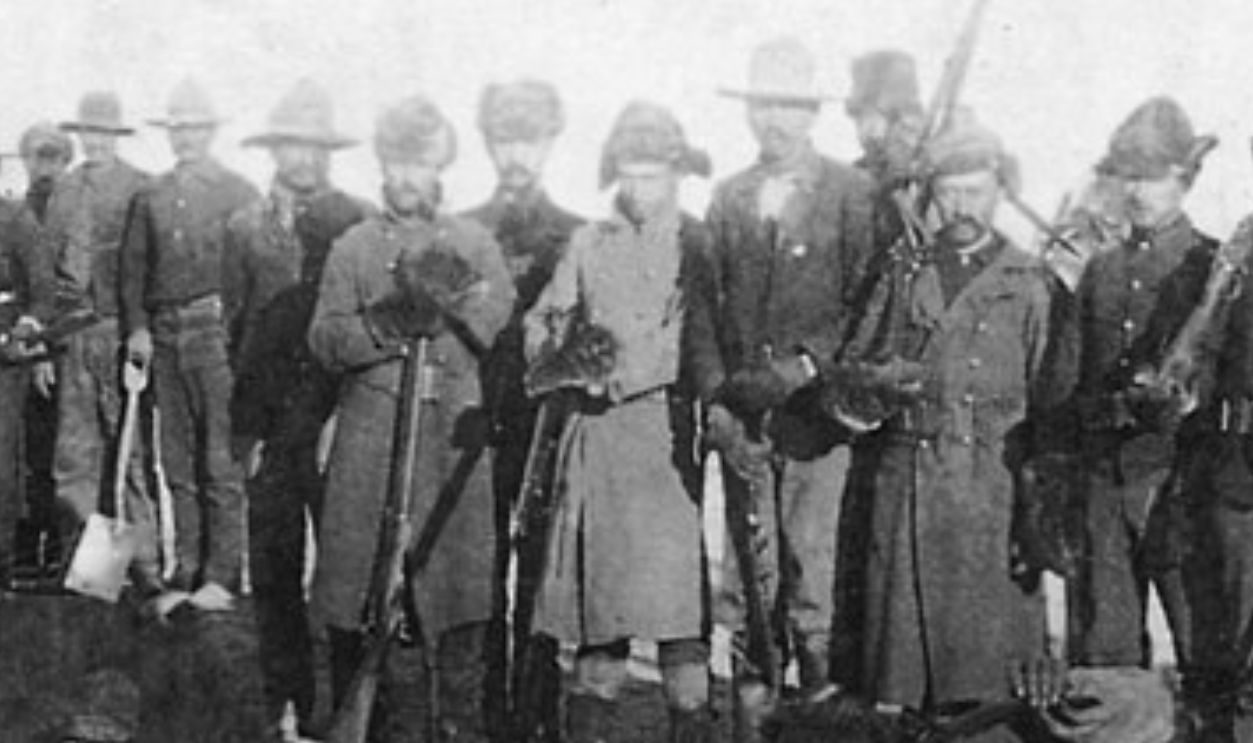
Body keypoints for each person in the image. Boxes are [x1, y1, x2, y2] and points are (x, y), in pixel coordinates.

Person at [308, 95, 514, 741]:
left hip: (449, 447)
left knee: (457, 609)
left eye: (419, 163)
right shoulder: (354, 247)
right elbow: (325, 339)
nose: (405, 177)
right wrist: (390, 321)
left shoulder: (473, 242)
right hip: (372, 445)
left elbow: (495, 316)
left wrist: (448, 304)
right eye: (395, 162)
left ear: (440, 167)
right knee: (368, 603)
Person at [689, 36, 877, 742]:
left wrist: (805, 367)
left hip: (814, 428)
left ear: (812, 113)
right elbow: (702, 310)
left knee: (812, 580)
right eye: (763, 105)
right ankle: (751, 725)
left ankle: (819, 718)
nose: (775, 120)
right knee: (745, 585)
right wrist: (717, 401)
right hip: (745, 428)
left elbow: (866, 304)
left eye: (789, 107)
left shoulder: (850, 196)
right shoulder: (729, 197)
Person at [852, 109, 1055, 725]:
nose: (963, 206)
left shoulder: (1029, 281)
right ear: (933, 194)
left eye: (977, 190)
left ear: (1001, 191)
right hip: (911, 483)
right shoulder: (904, 271)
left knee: (988, 684)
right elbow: (859, 365)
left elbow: (1049, 400)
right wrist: (879, 381)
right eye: (951, 192)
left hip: (993, 493)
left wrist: (1036, 506)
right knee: (904, 681)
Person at [523, 100, 713, 743]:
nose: (639, 191)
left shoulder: (696, 244)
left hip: (662, 448)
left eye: (652, 177)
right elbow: (545, 317)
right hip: (595, 444)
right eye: (628, 176)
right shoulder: (589, 241)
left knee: (680, 631)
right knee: (599, 632)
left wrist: (619, 372)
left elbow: (688, 338)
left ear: (676, 175)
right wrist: (557, 354)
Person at [1046, 97, 1225, 734]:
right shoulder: (1101, 271)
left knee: (1204, 653)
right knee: (1106, 660)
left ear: (1185, 178)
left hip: (1179, 489)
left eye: (1153, 177)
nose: (1137, 192)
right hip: (1104, 487)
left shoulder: (1215, 268)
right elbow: (1065, 388)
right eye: (1127, 177)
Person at [223, 78, 369, 740]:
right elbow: (238, 330)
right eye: (291, 145)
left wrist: (349, 416)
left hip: (341, 422)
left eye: (314, 147)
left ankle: (350, 705)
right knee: (274, 570)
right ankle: (286, 702)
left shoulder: (359, 222)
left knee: (344, 572)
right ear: (273, 150)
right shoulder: (245, 226)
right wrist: (248, 426)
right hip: (273, 424)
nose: (302, 158)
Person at [462, 78, 583, 743]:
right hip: (474, 427)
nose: (516, 155)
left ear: (550, 143)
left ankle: (537, 717)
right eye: (504, 139)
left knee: (541, 574)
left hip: (546, 429)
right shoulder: (463, 231)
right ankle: (486, 712)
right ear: (487, 143)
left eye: (529, 140)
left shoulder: (576, 236)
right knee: (479, 571)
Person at [119, 78, 260, 612]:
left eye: (196, 128)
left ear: (211, 132)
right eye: (178, 129)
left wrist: (237, 335)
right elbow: (133, 270)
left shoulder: (238, 192)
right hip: (165, 335)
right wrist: (137, 328)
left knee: (219, 461)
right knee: (176, 463)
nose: (187, 138)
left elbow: (255, 274)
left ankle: (223, 574)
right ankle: (187, 566)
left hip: (214, 335)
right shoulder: (150, 196)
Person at [835, 47, 925, 693]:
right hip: (857, 388)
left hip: (921, 396)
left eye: (890, 117)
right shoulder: (852, 187)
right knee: (856, 552)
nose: (875, 130)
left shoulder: (941, 183)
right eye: (866, 118)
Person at [46, 91, 160, 591]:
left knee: (130, 452)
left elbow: (150, 270)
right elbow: (48, 275)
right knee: (76, 457)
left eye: (103, 133)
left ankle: (147, 570)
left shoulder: (141, 188)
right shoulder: (65, 191)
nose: (95, 142)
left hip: (120, 334)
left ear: (116, 136)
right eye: (88, 132)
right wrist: (46, 349)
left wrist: (140, 333)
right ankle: (90, 576)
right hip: (74, 339)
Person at [10, 121, 72, 585]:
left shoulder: (76, 207)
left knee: (69, 453)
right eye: (37, 156)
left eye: (54, 156)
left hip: (71, 344)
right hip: (24, 351)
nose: (45, 165)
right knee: (26, 452)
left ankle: (68, 556)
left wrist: (47, 347)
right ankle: (27, 550)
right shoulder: (15, 211)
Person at [0, 183, 55, 588]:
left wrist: (25, 329)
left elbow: (41, 288)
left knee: (3, 460)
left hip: (4, 356)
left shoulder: (14, 218)